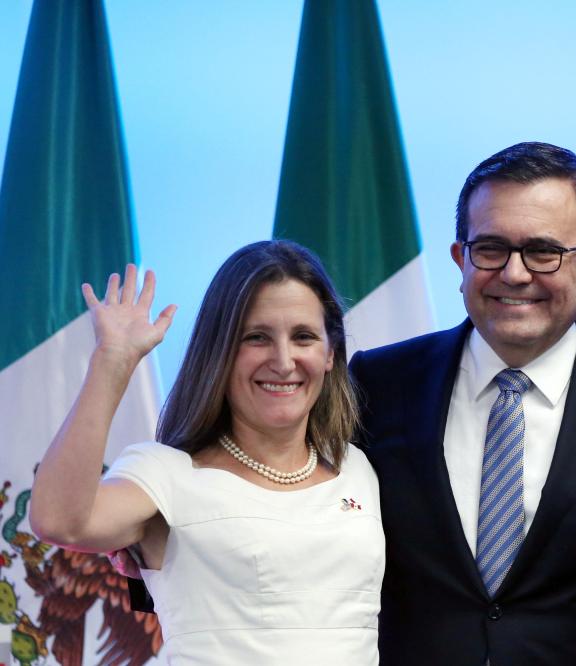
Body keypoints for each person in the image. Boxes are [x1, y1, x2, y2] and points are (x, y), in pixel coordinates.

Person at [349, 141, 576, 665]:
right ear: (460, 259)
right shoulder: (379, 384)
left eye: (544, 252)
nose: (515, 274)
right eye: (491, 249)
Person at [29, 241, 384, 664]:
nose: (284, 361)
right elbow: (58, 522)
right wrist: (113, 362)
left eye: (303, 337)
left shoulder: (358, 468)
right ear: (221, 352)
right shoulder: (165, 473)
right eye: (257, 338)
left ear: (330, 353)